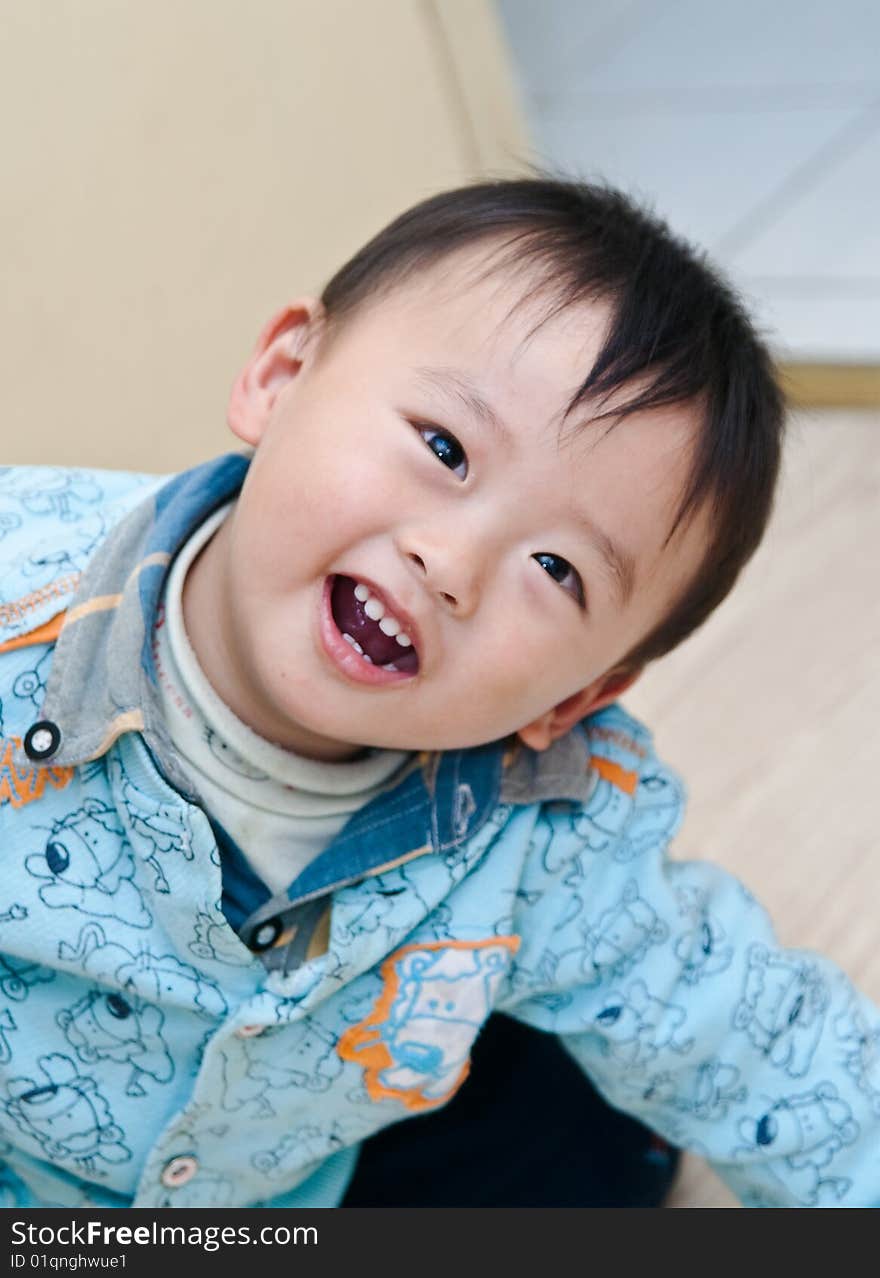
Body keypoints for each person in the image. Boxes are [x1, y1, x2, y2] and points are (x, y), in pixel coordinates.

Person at [0, 177, 876, 1211]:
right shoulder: (22, 595)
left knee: (578, 1124)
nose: (452, 562)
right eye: (445, 449)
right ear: (281, 376)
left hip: (310, 1149)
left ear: (580, 692)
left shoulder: (557, 824)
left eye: (556, 570)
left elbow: (757, 1041)